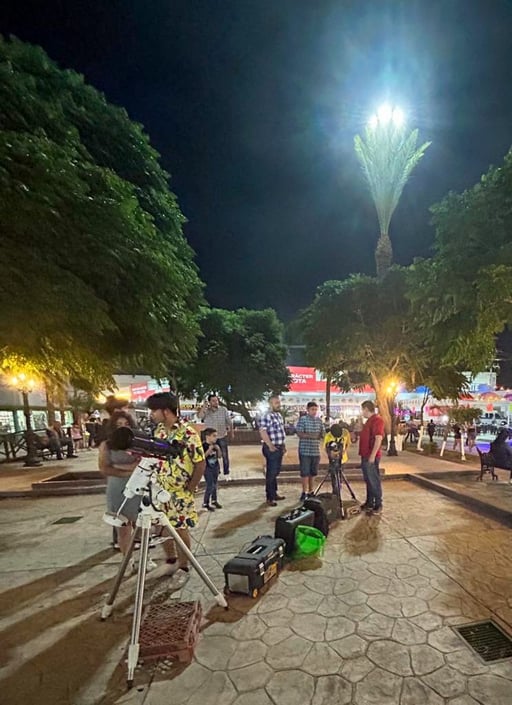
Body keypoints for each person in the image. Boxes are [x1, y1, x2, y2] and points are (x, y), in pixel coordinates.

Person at [147, 392, 206, 590]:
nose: (152, 414)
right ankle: (171, 562)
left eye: (154, 410)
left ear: (165, 411)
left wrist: (190, 488)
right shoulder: (159, 432)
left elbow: (200, 463)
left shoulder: (188, 433)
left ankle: (184, 567)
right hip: (160, 491)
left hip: (180, 493)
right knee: (162, 528)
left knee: (180, 530)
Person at [97, 411, 149, 571]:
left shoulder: (138, 443)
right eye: (119, 425)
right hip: (118, 488)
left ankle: (145, 559)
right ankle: (128, 560)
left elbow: (143, 463)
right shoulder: (107, 445)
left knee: (143, 526)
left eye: (126, 424)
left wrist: (120, 467)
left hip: (139, 486)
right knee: (123, 527)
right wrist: (128, 470)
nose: (123, 428)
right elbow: (105, 468)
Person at [259, 395, 287, 507]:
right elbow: (263, 431)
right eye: (276, 402)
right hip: (271, 448)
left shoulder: (279, 415)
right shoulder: (266, 416)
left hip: (279, 447)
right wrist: (269, 445)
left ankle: (274, 493)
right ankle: (269, 497)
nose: (278, 404)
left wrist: (283, 445)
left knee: (275, 472)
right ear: (270, 404)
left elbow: (281, 431)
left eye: (279, 402)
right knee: (271, 473)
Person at [198, 394, 234, 480]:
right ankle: (213, 472)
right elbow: (199, 416)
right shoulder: (206, 411)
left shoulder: (223, 410)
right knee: (209, 455)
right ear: (210, 402)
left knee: (224, 455)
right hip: (210, 438)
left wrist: (232, 432)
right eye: (213, 401)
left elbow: (229, 421)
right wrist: (204, 406)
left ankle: (226, 473)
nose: (216, 402)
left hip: (222, 435)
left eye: (217, 400)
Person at [359, 400, 385, 514]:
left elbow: (378, 438)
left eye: (362, 410)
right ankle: (369, 502)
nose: (362, 412)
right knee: (368, 479)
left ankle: (378, 504)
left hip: (371, 456)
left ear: (366, 409)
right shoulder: (369, 421)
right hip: (365, 455)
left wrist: (372, 456)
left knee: (373, 480)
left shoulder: (377, 420)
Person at [295, 401, 324, 501]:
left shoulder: (319, 421)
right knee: (305, 472)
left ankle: (311, 491)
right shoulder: (303, 420)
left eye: (316, 409)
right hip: (305, 450)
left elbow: (322, 434)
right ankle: (304, 492)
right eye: (312, 409)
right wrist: (312, 436)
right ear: (307, 410)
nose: (314, 411)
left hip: (315, 451)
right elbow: (299, 433)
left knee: (313, 472)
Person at [324, 422, 351, 495]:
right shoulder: (328, 436)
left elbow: (348, 443)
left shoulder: (346, 433)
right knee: (333, 476)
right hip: (332, 459)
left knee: (340, 475)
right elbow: (326, 448)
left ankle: (339, 489)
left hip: (343, 459)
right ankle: (335, 492)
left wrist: (344, 451)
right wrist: (331, 454)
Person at [201, 428, 222, 511]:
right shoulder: (203, 446)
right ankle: (205, 503)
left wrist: (218, 449)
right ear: (207, 436)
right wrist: (209, 450)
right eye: (214, 436)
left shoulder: (216, 445)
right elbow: (202, 457)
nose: (215, 438)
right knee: (210, 485)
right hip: (207, 468)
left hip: (215, 467)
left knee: (215, 484)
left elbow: (219, 456)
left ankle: (214, 500)